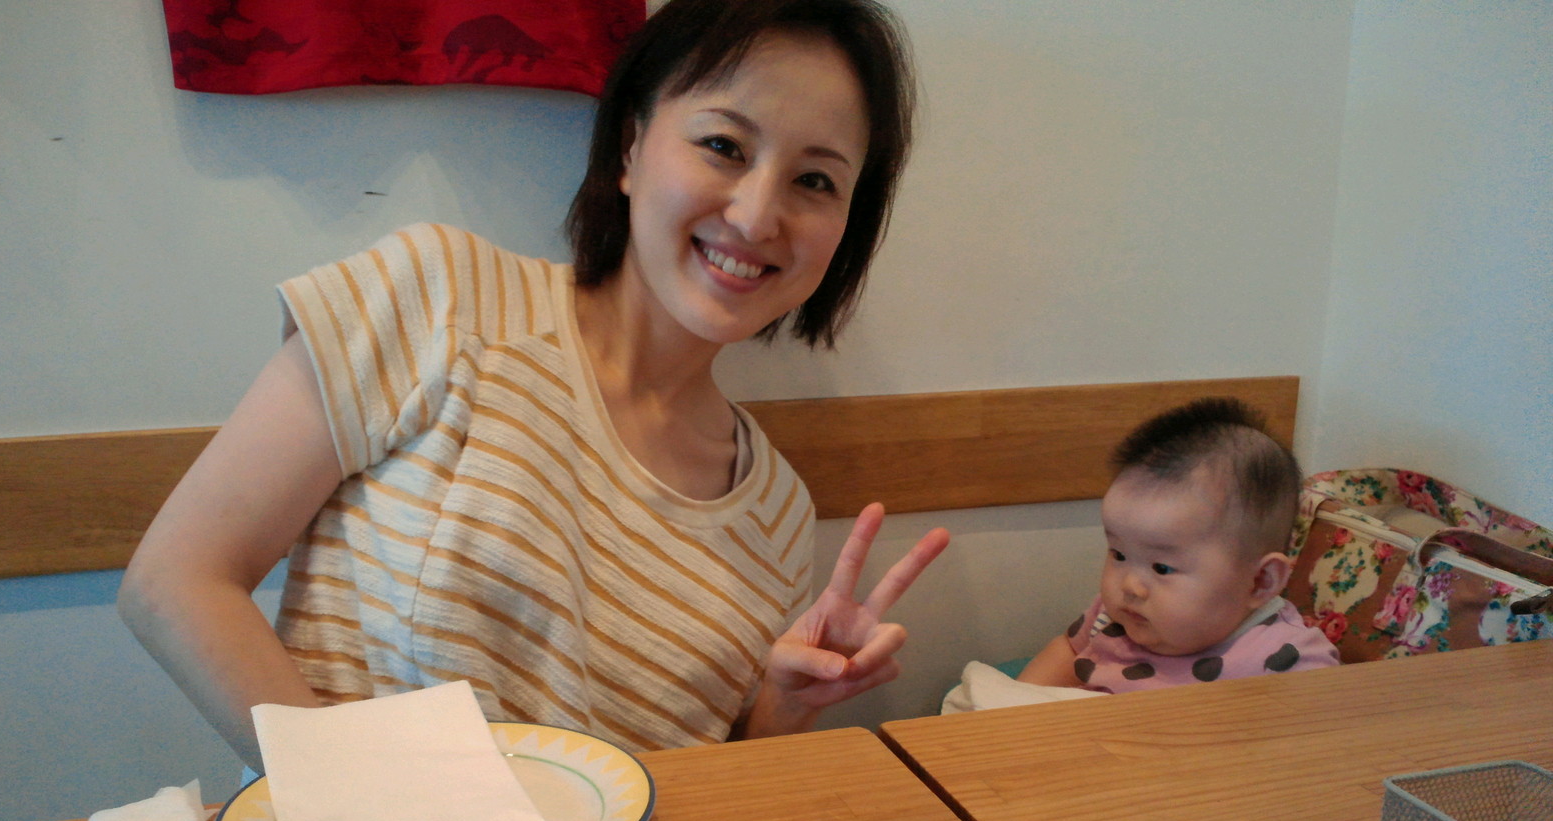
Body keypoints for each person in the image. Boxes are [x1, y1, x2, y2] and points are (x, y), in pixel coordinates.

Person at [119, 0, 948, 772]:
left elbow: (700, 786)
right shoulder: (440, 297)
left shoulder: (777, 515)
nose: (758, 215)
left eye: (816, 181)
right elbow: (176, 581)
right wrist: (359, 815)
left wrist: (784, 705)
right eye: (724, 147)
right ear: (630, 149)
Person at [1016, 397, 1338, 693]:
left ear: (1260, 581)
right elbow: (1068, 650)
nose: (1129, 586)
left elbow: (1328, 721)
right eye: (1119, 554)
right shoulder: (1113, 617)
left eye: (1161, 568)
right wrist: (1016, 702)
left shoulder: (1288, 661)